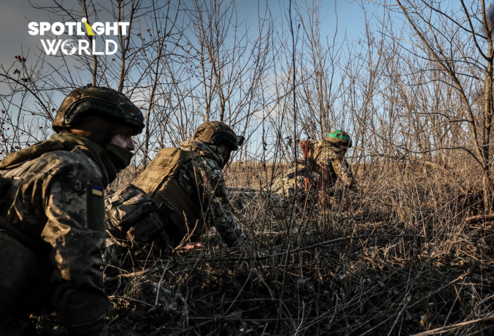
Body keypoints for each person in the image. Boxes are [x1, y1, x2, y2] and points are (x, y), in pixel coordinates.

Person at [0, 85, 144, 335]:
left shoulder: (25, 164)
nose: (131, 146)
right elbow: (77, 272)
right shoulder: (77, 169)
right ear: (99, 131)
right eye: (125, 135)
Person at [109, 121, 246, 249]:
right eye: (227, 150)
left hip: (119, 224)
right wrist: (245, 250)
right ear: (221, 146)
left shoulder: (169, 155)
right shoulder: (207, 166)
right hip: (149, 239)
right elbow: (224, 219)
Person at [273, 129, 356, 199]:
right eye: (343, 145)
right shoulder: (335, 154)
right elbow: (348, 181)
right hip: (301, 187)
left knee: (272, 197)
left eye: (347, 146)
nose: (345, 148)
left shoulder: (314, 148)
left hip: (285, 180)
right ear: (336, 143)